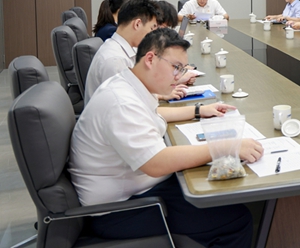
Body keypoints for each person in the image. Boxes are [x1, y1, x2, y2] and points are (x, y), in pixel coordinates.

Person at [69, 28, 264, 247]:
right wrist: (226, 147)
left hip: (137, 191)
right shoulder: (121, 103)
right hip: (119, 211)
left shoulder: (127, 84)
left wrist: (198, 110)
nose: (179, 76)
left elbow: (152, 114)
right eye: (176, 67)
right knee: (236, 220)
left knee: (218, 191)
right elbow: (156, 163)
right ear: (150, 59)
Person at [84, 0, 159, 101]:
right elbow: (127, 104)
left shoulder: (125, 47)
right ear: (137, 24)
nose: (153, 35)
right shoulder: (115, 61)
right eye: (152, 28)